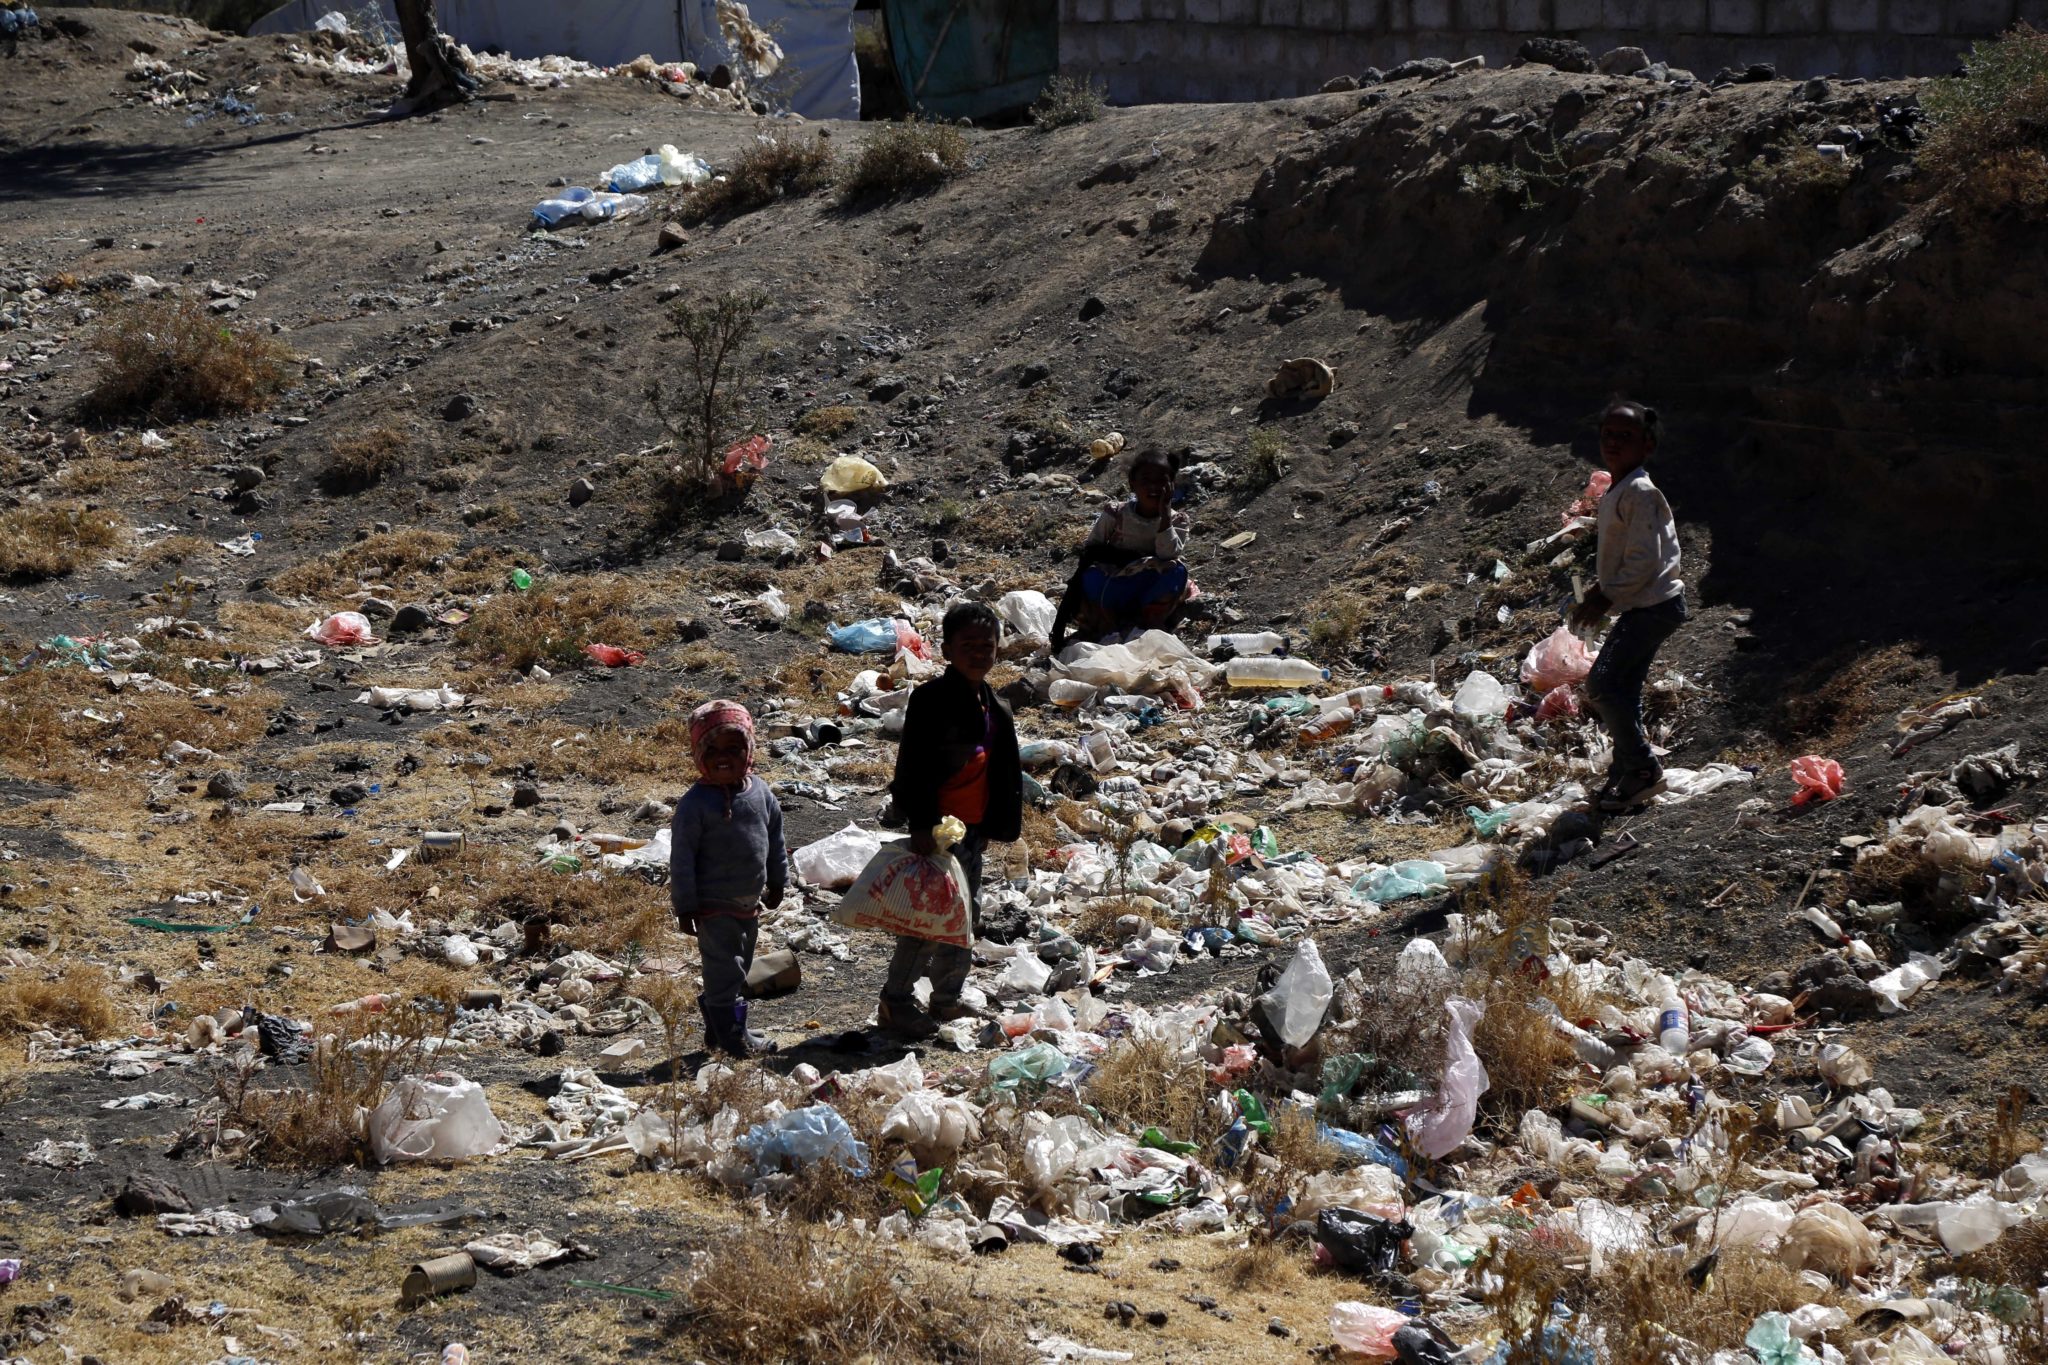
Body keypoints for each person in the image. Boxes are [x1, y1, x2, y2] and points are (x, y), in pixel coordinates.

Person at [879, 602, 1022, 1038]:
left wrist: (992, 827)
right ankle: (895, 1001)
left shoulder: (994, 706)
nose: (979, 653)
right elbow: (912, 769)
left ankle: (945, 999)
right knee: (924, 921)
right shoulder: (931, 701)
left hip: (971, 834)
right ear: (946, 650)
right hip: (937, 835)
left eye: (987, 645)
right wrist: (920, 824)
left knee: (963, 917)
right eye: (968, 645)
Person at [1569, 399, 1686, 813]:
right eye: (1609, 435)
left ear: (1646, 445)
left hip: (1655, 605)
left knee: (1601, 683)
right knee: (1623, 687)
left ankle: (1641, 768)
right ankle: (1625, 772)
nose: (1614, 443)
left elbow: (1645, 560)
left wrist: (1605, 596)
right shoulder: (1620, 488)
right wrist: (1601, 589)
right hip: (1644, 604)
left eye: (1626, 437)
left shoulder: (1640, 490)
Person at [670, 699, 786, 1058]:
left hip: (748, 904)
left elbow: (775, 839)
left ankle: (717, 1030)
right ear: (698, 753)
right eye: (713, 749)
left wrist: (779, 879)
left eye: (733, 748)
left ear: (749, 749)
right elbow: (682, 859)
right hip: (713, 905)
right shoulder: (695, 805)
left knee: (740, 965)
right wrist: (686, 906)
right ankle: (734, 1039)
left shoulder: (761, 793)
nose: (723, 757)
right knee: (727, 969)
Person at [1049, 447, 1192, 653]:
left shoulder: (1178, 520)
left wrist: (1164, 516)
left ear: (1171, 485)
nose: (1154, 487)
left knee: (1176, 572)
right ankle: (1108, 621)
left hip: (1148, 585)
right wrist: (1127, 560)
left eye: (1161, 481)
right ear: (1132, 484)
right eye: (1146, 480)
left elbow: (1168, 554)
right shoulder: (1116, 513)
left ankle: (1147, 622)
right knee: (1090, 576)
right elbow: (1092, 549)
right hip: (1114, 582)